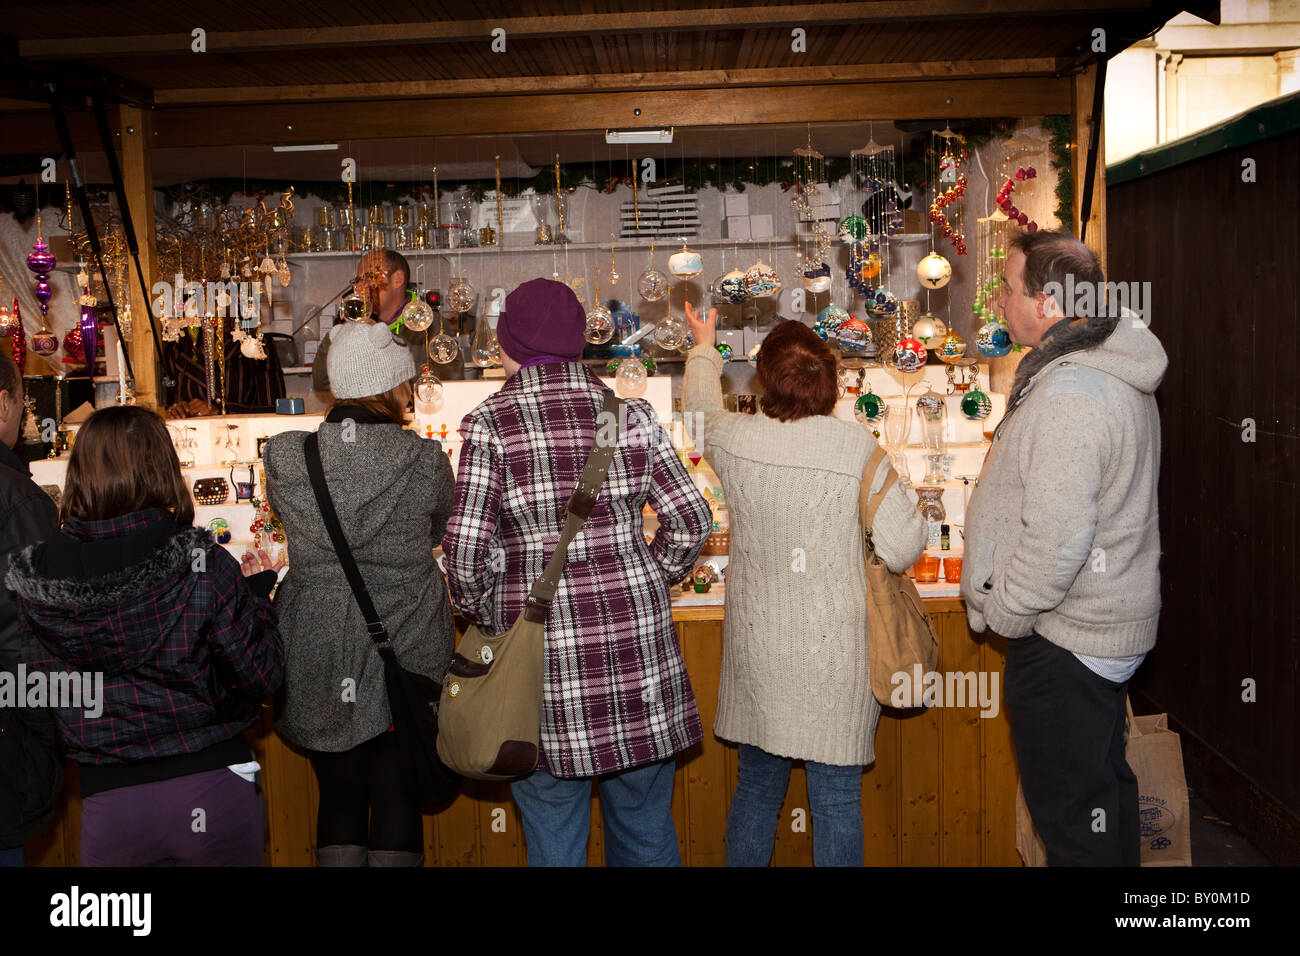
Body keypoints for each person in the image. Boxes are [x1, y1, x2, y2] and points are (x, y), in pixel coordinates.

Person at [442, 277, 712, 866]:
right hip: (636, 658)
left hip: (535, 668)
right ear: (578, 342)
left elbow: (464, 554)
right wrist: (646, 572)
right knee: (645, 831)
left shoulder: (491, 423)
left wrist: (491, 611)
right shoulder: (627, 416)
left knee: (554, 841)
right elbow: (692, 521)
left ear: (506, 340)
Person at [682, 306, 926, 867]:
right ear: (832, 383)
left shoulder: (733, 438)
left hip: (760, 654)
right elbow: (904, 546)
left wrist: (703, 345)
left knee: (757, 792)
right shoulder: (858, 449)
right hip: (836, 662)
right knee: (837, 801)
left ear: (764, 378)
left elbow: (697, 413)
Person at [962, 230, 1166, 866]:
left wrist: (1008, 615)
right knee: (1100, 803)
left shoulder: (1072, 393)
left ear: (1049, 302)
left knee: (1076, 826)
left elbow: (1059, 539)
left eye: (1007, 287)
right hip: (1093, 628)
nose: (998, 298)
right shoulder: (1099, 368)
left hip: (1065, 638)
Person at [5, 404, 284, 866]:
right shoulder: (200, 563)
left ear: (80, 473)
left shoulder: (39, 578)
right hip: (209, 784)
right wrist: (255, 601)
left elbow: (41, 696)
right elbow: (261, 674)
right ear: (162, 468)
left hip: (109, 802)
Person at [265, 319, 455, 867]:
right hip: (406, 645)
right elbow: (440, 531)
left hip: (316, 646)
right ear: (395, 386)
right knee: (397, 793)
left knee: (339, 793)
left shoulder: (286, 457)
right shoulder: (424, 462)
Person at [0, 353, 60, 866]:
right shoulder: (21, 501)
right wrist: (48, 735)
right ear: (3, 404)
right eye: (22, 404)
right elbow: (33, 634)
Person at [312, 248, 462, 398]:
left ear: (397, 279)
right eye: (358, 281)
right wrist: (346, 326)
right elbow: (322, 381)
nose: (360, 288)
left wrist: (376, 373)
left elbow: (450, 375)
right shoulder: (357, 328)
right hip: (370, 418)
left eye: (369, 277)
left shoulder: (428, 323)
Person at [163, 325, 287, 419]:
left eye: (219, 298)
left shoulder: (256, 345)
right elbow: (166, 406)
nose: (211, 310)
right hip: (192, 442)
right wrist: (177, 410)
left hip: (241, 441)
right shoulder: (176, 349)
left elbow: (276, 410)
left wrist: (221, 411)